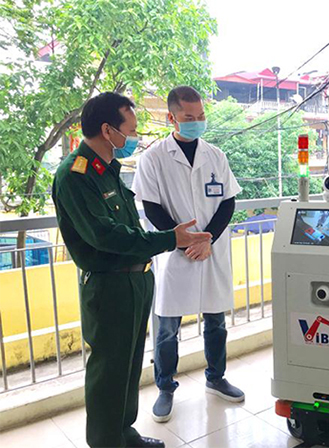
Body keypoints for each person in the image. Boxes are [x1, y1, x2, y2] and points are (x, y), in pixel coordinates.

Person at [52, 92, 212, 448]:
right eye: (131, 130)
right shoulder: (77, 174)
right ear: (107, 130)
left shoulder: (108, 169)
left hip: (135, 279)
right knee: (109, 371)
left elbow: (128, 228)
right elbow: (104, 235)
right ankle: (106, 441)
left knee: (128, 365)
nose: (134, 137)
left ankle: (125, 433)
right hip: (109, 286)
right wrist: (170, 238)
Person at [132, 85, 244, 424]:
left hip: (210, 250)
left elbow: (228, 202)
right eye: (189, 117)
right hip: (175, 254)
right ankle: (165, 387)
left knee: (216, 321)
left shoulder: (215, 155)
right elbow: (151, 207)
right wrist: (184, 241)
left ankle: (216, 378)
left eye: (201, 116)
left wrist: (206, 240)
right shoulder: (153, 158)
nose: (197, 122)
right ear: (172, 117)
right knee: (167, 327)